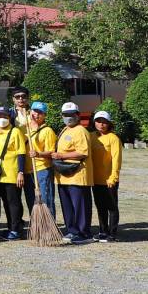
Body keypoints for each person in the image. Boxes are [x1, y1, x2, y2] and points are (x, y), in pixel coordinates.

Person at [52, 102, 94, 244]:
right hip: (64, 175)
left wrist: (61, 156)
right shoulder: (64, 130)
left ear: (78, 115)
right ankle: (72, 231)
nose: (68, 118)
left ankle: (84, 233)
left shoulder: (81, 131)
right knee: (67, 206)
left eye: (71, 115)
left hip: (78, 175)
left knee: (80, 206)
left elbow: (83, 152)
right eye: (65, 115)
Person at [0, 106, 26, 239]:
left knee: (13, 202)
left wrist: (21, 171)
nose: (2, 119)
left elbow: (21, 153)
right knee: (3, 202)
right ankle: (10, 228)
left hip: (11, 173)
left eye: (5, 116)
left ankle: (15, 229)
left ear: (10, 118)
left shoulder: (16, 132)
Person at [90, 111, 123, 242]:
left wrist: (113, 176)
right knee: (100, 206)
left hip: (109, 179)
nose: (101, 124)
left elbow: (116, 159)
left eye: (104, 122)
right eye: (98, 121)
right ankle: (102, 231)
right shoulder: (91, 136)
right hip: (95, 179)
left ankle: (112, 233)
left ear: (109, 123)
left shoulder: (113, 138)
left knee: (112, 207)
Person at [23, 101, 58, 219]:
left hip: (42, 169)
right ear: (30, 112)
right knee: (31, 201)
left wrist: (38, 153)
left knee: (45, 199)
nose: (36, 115)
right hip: (28, 170)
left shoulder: (47, 131)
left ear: (44, 115)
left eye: (40, 113)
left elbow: (52, 152)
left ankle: (49, 225)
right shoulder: (24, 128)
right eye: (34, 111)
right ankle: (37, 225)